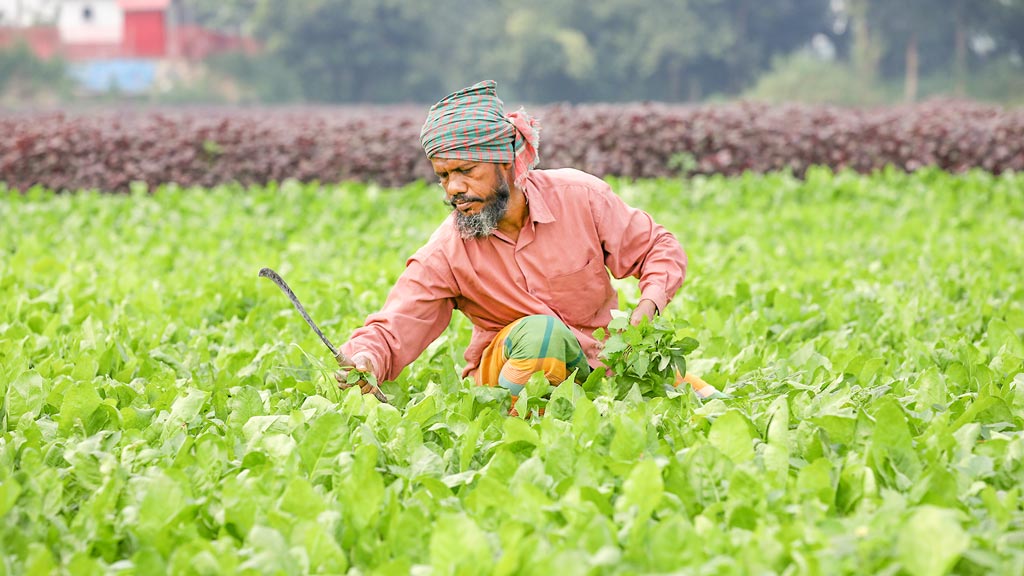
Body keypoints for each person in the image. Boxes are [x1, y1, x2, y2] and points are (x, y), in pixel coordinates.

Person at [334, 80, 721, 404]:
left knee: (711, 403)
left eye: (466, 171)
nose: (454, 188)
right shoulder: (447, 252)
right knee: (542, 334)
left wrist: (647, 308)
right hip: (505, 388)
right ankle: (520, 433)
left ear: (505, 161)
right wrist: (366, 359)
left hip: (599, 370)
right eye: (443, 176)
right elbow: (395, 325)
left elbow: (659, 248)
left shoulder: (580, 197)